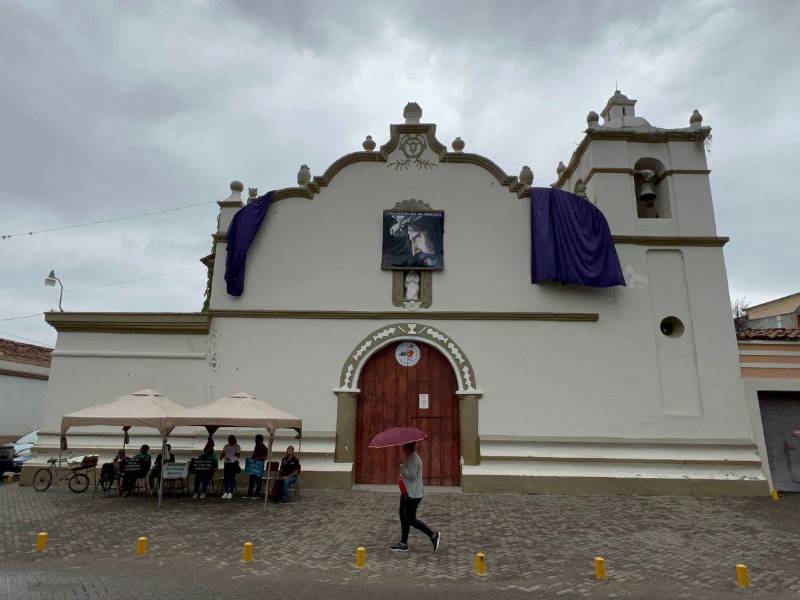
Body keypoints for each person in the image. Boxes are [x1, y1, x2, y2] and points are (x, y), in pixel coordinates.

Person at [391, 442, 441, 552]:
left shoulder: (414, 458)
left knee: (410, 519)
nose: (402, 448)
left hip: (412, 494)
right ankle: (403, 543)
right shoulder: (410, 457)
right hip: (406, 493)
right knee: (403, 517)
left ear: (408, 448)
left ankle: (433, 535)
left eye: (403, 447)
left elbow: (411, 475)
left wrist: (401, 466)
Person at [245, 434, 269, 499]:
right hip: (253, 466)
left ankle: (257, 494)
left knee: (258, 480)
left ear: (260, 440)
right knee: (251, 479)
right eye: (255, 440)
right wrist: (251, 459)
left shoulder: (264, 447)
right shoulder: (256, 446)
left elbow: (266, 457)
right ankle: (250, 493)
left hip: (259, 466)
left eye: (256, 440)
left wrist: (258, 458)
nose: (255, 441)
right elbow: (254, 455)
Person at [219, 435, 241, 499]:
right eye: (228, 440)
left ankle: (230, 492)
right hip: (226, 463)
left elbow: (238, 455)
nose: (229, 441)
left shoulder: (237, 446)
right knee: (226, 478)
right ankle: (225, 492)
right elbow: (223, 453)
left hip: (233, 463)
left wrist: (230, 457)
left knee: (231, 478)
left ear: (234, 440)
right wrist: (221, 457)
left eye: (230, 440)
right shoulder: (226, 446)